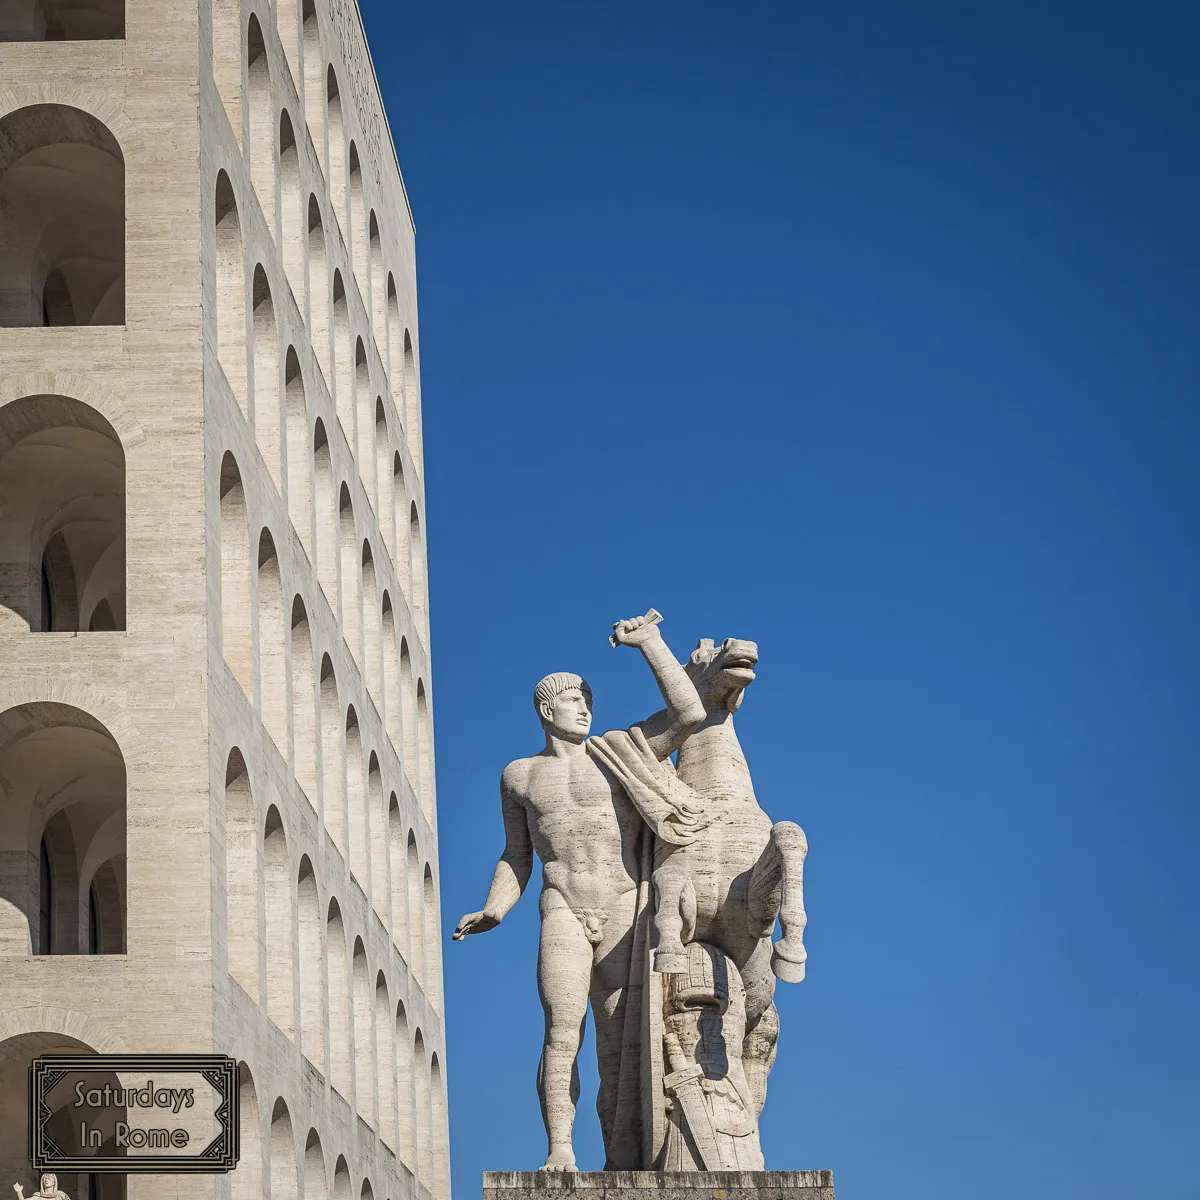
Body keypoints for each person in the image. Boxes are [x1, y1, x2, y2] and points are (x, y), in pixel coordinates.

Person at [453, 612, 707, 1171]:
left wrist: (650, 643)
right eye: (574, 700)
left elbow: (689, 714)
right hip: (562, 906)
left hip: (622, 906)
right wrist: (495, 907)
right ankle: (560, 1149)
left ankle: (621, 1159)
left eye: (589, 699)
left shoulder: (620, 752)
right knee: (561, 1031)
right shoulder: (519, 775)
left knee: (618, 1046)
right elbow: (516, 855)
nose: (586, 708)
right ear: (548, 710)